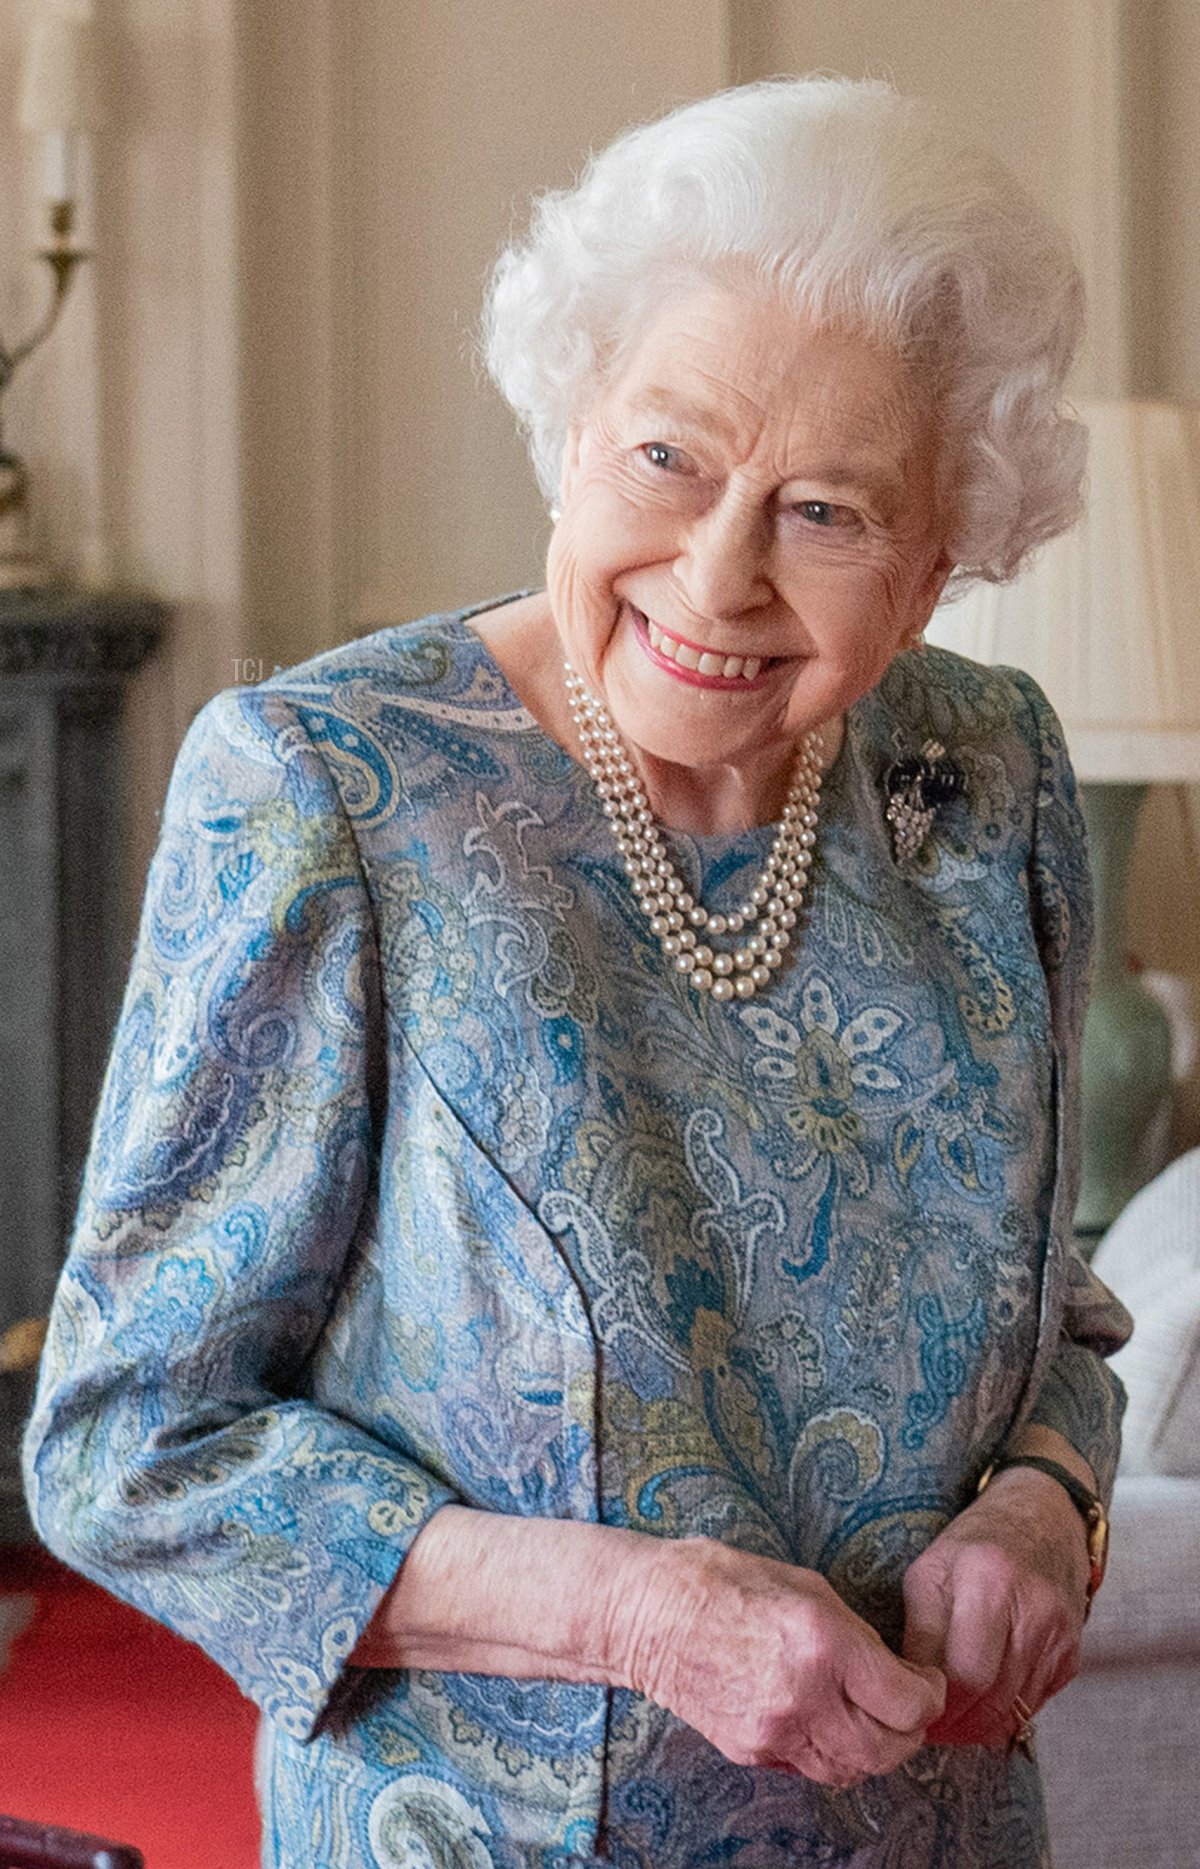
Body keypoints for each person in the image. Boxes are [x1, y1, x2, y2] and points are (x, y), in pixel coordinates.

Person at [25, 77, 1130, 1869]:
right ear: (571, 426)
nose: (717, 572)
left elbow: (1050, 1303)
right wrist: (632, 1616)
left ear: (937, 564)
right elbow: (130, 1450)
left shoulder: (984, 779)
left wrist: (1044, 1502)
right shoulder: (331, 793)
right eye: (668, 456)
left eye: (828, 512)